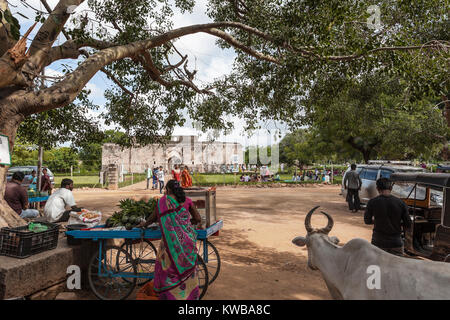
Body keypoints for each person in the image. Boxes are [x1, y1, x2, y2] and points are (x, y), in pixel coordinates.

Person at [138, 180, 201, 300]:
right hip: (187, 243)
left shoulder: (163, 202)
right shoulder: (187, 201)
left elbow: (152, 218)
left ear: (168, 189)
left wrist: (143, 224)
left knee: (168, 271)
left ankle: (171, 297)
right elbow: (197, 218)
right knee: (188, 271)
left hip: (169, 245)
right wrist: (184, 225)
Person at [364, 178, 411, 256]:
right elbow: (408, 223)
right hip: (396, 243)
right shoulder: (401, 203)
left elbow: (367, 221)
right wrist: (397, 222)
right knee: (396, 267)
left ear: (377, 188)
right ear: (391, 188)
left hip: (378, 242)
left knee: (378, 267)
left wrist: (378, 220)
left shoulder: (372, 202)